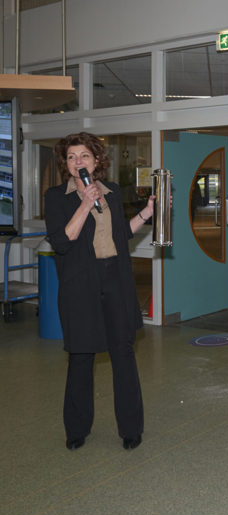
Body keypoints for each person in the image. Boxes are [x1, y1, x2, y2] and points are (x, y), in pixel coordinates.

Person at [44, 132, 152, 451]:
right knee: (81, 356)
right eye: (72, 157)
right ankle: (77, 429)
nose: (79, 162)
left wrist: (146, 213)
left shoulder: (113, 192)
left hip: (114, 280)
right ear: (66, 164)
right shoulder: (56, 197)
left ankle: (131, 429)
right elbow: (62, 241)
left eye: (85, 156)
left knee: (123, 354)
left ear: (97, 161)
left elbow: (120, 235)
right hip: (80, 285)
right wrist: (85, 203)